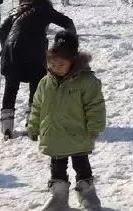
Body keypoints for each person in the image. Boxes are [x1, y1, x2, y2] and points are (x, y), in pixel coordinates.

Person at [27, 31, 106, 211]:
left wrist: (95, 127)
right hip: (54, 135)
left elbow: (95, 106)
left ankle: (87, 193)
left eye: (61, 64)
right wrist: (33, 126)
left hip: (78, 134)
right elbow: (37, 106)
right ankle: (59, 195)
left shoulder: (87, 81)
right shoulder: (45, 83)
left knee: (82, 165)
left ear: (73, 61)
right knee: (57, 167)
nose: (56, 67)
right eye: (52, 64)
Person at [0, 0, 75, 140]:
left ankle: (7, 128)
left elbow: (1, 31)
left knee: (11, 88)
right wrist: (70, 44)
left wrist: (6, 47)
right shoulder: (44, 9)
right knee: (36, 87)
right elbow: (67, 22)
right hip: (34, 51)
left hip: (11, 52)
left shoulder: (17, 11)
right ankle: (33, 127)